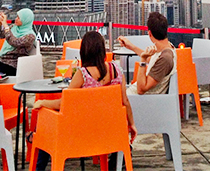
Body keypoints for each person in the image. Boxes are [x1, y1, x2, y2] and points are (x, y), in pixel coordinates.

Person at [32, 31, 137, 171]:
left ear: (84, 51)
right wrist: (132, 125)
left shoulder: (83, 74)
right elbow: (125, 101)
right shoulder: (116, 70)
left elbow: (65, 103)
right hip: (110, 133)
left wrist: (43, 103)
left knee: (44, 124)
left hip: (83, 134)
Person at [118, 12, 176, 96]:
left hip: (137, 100)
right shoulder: (168, 48)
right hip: (133, 96)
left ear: (149, 33)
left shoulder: (165, 59)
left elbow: (141, 89)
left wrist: (142, 61)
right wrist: (131, 47)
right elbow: (153, 60)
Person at [0, 8, 36, 78]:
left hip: (13, 64)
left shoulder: (30, 36)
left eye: (19, 18)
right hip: (2, 59)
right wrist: (0, 24)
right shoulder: (14, 27)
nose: (16, 19)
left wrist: (6, 26)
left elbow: (14, 42)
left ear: (25, 20)